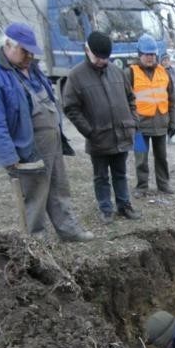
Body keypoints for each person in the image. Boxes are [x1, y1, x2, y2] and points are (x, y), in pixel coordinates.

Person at [0, 22, 93, 242]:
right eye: (24, 50)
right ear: (8, 45)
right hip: (27, 148)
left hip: (52, 143)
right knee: (35, 195)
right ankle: (37, 240)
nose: (29, 55)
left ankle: (68, 230)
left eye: (31, 50)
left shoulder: (32, 69)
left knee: (59, 187)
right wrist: (8, 156)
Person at [62, 31, 141, 224]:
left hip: (122, 133)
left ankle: (124, 205)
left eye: (105, 58)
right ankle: (106, 209)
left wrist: (133, 120)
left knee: (120, 173)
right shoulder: (76, 76)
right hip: (98, 137)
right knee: (101, 176)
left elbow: (131, 98)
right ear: (87, 50)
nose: (102, 61)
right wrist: (89, 131)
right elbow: (71, 108)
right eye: (98, 57)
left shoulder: (116, 72)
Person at [127, 35, 175, 197]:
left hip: (161, 124)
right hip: (139, 126)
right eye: (146, 54)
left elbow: (172, 99)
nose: (150, 58)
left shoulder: (164, 73)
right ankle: (142, 187)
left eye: (152, 54)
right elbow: (124, 100)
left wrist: (173, 122)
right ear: (139, 54)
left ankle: (163, 185)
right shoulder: (130, 73)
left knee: (161, 157)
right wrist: (129, 123)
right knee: (141, 158)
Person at [160, 52, 175, 145]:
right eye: (164, 60)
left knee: (174, 120)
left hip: (173, 100)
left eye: (167, 60)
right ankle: (163, 138)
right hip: (162, 100)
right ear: (161, 61)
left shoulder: (174, 71)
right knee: (164, 120)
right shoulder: (158, 71)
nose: (166, 62)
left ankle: (170, 137)